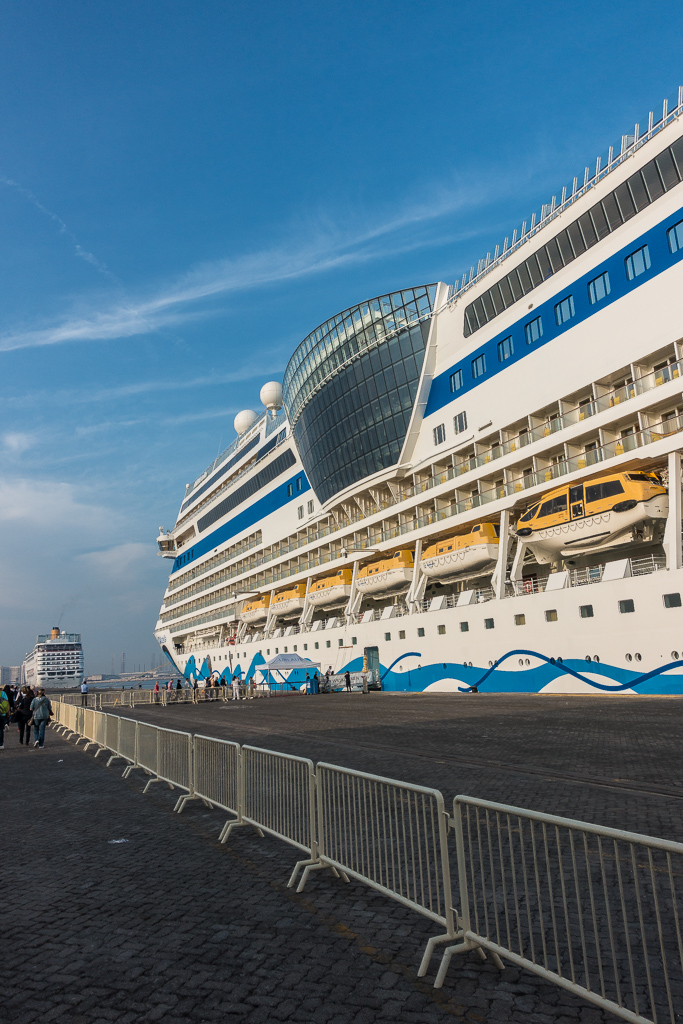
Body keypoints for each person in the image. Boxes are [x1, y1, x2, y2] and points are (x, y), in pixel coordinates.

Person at [0, 684, 9, 749]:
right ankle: (1, 744)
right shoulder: (3, 693)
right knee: (1, 729)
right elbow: (7, 702)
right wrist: (8, 711)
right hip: (2, 713)